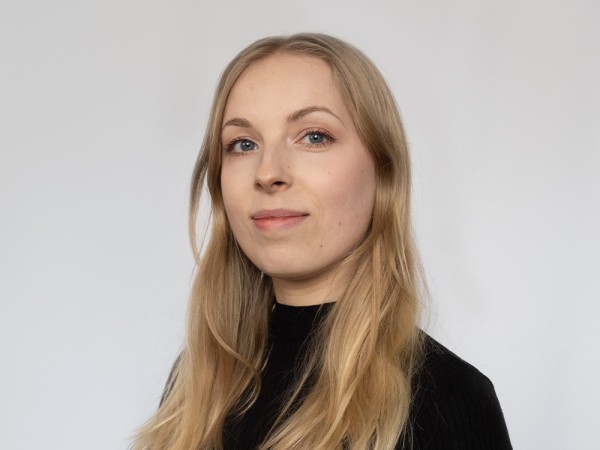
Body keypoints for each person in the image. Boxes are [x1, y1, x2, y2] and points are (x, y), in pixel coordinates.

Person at [133, 33, 512, 450]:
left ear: (382, 172)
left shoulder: (450, 401)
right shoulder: (197, 390)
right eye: (243, 144)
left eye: (314, 136)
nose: (268, 172)